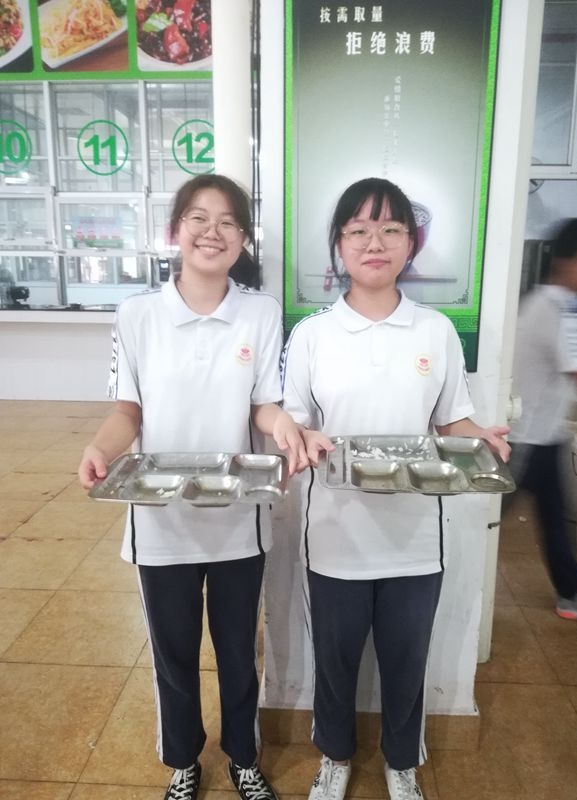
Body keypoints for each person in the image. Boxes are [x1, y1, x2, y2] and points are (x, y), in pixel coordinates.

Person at [78, 174, 308, 800]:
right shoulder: (137, 314)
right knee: (173, 654)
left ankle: (244, 759)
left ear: (243, 238)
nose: (213, 231)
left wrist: (282, 424)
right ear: (174, 230)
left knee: (238, 653)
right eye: (199, 218)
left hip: (239, 521)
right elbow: (128, 412)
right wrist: (101, 449)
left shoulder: (260, 312)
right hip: (162, 522)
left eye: (228, 221)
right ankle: (183, 761)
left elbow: (264, 403)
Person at [281, 177, 510, 800]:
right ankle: (334, 757)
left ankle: (402, 762)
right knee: (334, 662)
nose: (374, 243)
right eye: (358, 230)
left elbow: (451, 421)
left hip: (415, 540)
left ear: (411, 243)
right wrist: (299, 439)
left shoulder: (434, 331)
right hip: (335, 535)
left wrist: (481, 436)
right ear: (339, 244)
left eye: (390, 229)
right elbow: (293, 421)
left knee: (408, 661)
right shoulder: (312, 334)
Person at [509, 217, 577, 621]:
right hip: (526, 440)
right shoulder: (558, 309)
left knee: (553, 518)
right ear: (568, 261)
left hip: (542, 435)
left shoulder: (545, 303)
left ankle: (573, 594)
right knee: (484, 519)